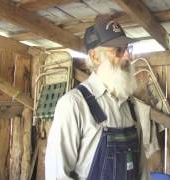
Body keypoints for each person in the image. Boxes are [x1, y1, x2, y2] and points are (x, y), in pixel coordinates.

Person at [45, 15, 153, 180]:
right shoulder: (73, 105)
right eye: (119, 51)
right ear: (95, 56)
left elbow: (141, 172)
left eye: (127, 49)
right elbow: (56, 176)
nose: (128, 58)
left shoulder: (130, 106)